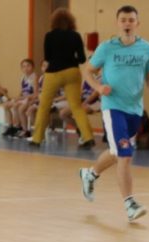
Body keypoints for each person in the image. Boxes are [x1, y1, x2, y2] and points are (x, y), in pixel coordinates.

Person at [78, 4, 149, 222]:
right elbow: (88, 72)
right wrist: (98, 88)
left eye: (131, 20)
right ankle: (130, 204)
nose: (127, 24)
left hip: (135, 109)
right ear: (117, 23)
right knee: (125, 154)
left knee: (116, 152)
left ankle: (90, 174)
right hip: (113, 107)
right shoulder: (106, 48)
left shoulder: (147, 49)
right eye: (123, 20)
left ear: (137, 23)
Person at [29, 8, 95, 148]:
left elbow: (47, 58)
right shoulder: (76, 36)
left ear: (54, 22)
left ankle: (37, 139)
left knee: (44, 106)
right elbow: (82, 59)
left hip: (53, 73)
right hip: (72, 72)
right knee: (76, 107)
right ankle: (88, 137)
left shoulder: (49, 36)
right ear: (71, 22)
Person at [2, 59, 38, 138]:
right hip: (23, 98)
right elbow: (22, 91)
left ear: (33, 67)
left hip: (31, 99)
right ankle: (11, 127)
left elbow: (35, 94)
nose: (26, 68)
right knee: (6, 105)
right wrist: (16, 98)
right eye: (24, 66)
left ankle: (24, 129)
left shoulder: (35, 77)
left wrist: (20, 98)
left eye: (28, 66)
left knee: (18, 107)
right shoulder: (23, 77)